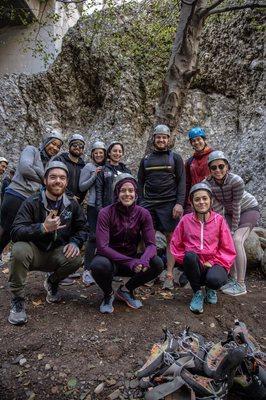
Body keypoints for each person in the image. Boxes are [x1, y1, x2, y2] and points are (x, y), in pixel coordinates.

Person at [8, 161, 88, 325]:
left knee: (76, 258)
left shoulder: (72, 204)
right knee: (18, 250)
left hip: (56, 253)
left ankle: (52, 282)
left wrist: (74, 242)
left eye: (62, 178)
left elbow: (83, 229)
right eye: (53, 177)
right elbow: (15, 231)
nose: (58, 181)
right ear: (45, 180)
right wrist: (43, 228)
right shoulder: (32, 201)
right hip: (33, 252)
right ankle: (18, 299)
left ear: (66, 182)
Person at [90, 173, 163, 314]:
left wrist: (144, 259)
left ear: (136, 194)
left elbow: (151, 244)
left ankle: (126, 290)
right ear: (117, 192)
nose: (127, 194)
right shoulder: (105, 213)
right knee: (98, 265)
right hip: (110, 261)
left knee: (157, 263)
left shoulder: (143, 213)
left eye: (131, 190)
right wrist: (130, 262)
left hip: (133, 261)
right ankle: (108, 293)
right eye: (123, 190)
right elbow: (102, 247)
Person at [0, 130, 63, 267]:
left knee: (11, 232)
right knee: (3, 229)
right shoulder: (32, 150)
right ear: (46, 141)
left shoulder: (49, 162)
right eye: (53, 143)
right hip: (16, 194)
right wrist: (44, 178)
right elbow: (24, 168)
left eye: (58, 146)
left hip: (29, 199)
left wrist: (40, 173)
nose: (55, 148)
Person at [170, 183, 236, 314]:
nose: (201, 202)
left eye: (205, 198)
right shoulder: (185, 220)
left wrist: (212, 262)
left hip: (215, 263)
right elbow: (176, 244)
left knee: (215, 280)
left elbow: (228, 248)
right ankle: (198, 293)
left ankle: (211, 289)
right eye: (197, 199)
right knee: (189, 256)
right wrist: (190, 263)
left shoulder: (219, 220)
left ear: (211, 200)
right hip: (195, 263)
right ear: (192, 202)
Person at [137, 124, 186, 289]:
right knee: (146, 238)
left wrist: (179, 203)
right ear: (154, 139)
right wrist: (142, 203)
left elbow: (182, 182)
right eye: (158, 137)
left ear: (169, 140)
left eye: (164, 137)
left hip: (169, 204)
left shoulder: (175, 158)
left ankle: (169, 275)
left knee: (171, 239)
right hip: (149, 204)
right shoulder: (146, 159)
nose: (161, 139)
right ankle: (148, 272)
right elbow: (140, 182)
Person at [206, 150, 260, 296]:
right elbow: (217, 210)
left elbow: (237, 206)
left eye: (221, 166)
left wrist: (233, 229)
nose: (218, 170)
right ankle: (233, 278)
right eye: (213, 167)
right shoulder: (208, 184)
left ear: (227, 167)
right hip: (229, 212)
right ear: (209, 170)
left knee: (236, 240)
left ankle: (241, 284)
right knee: (225, 241)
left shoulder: (236, 181)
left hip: (248, 209)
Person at [79, 141, 107, 285]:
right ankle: (87, 270)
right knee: (93, 237)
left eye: (101, 153)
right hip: (92, 206)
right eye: (95, 153)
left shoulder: (106, 167)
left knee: (106, 238)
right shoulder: (88, 167)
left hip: (106, 207)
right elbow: (82, 186)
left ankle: (106, 269)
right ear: (92, 154)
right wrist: (94, 176)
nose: (98, 155)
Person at [95, 141, 131, 211]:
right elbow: (98, 190)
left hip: (124, 208)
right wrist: (100, 209)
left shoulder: (127, 171)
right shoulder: (103, 170)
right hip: (108, 208)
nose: (117, 153)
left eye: (120, 151)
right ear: (109, 153)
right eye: (114, 151)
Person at [185, 127, 213, 212]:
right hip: (196, 197)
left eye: (198, 139)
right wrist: (186, 203)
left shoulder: (214, 156)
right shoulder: (190, 162)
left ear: (204, 140)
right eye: (193, 141)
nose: (196, 142)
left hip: (212, 197)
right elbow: (187, 183)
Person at [53, 133, 86, 204]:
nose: (77, 147)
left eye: (81, 146)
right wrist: (69, 195)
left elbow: (84, 185)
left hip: (75, 203)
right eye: (74, 144)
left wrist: (79, 200)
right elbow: (54, 179)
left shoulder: (83, 166)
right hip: (57, 199)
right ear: (69, 146)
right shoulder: (60, 160)